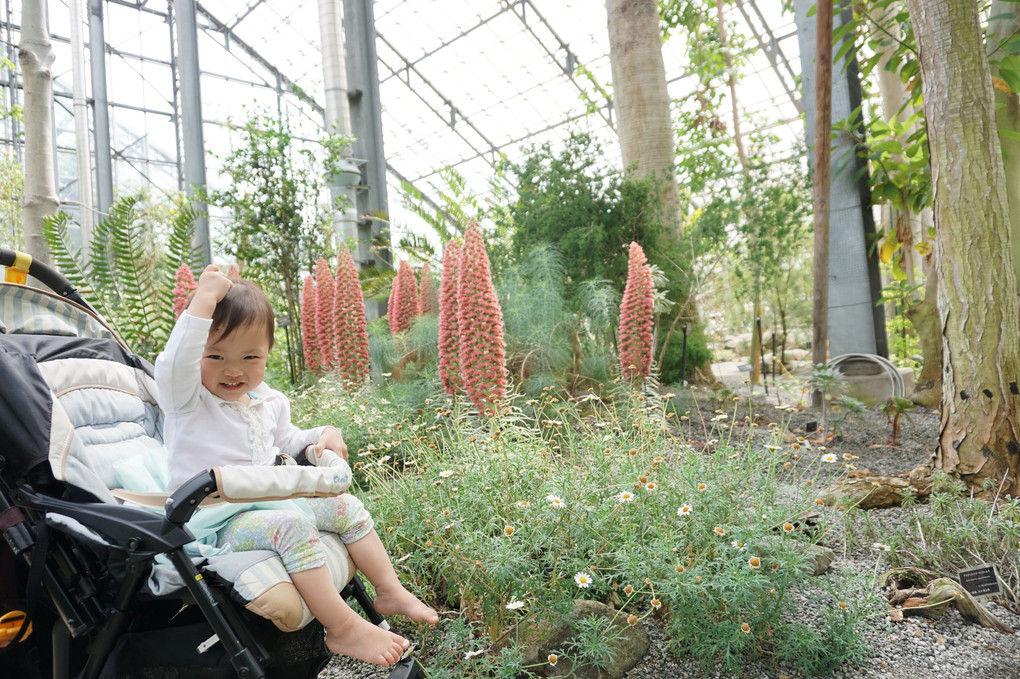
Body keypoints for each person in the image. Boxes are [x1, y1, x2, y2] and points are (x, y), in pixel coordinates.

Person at [155, 265, 437, 667]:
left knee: (347, 508)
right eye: (215, 356)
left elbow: (287, 441)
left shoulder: (266, 401)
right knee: (295, 529)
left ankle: (389, 589)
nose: (233, 370)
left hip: (270, 503)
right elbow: (174, 363)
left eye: (250, 357)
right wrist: (203, 299)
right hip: (215, 520)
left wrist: (323, 433)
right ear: (197, 350)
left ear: (268, 353)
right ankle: (342, 626)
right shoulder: (187, 401)